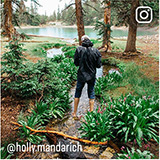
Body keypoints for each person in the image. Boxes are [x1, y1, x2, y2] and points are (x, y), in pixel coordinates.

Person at [72, 35, 102, 119]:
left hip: (81, 75)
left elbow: (76, 63)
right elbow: (99, 65)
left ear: (82, 41)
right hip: (92, 75)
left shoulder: (78, 49)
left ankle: (74, 113)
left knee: (77, 93)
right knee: (91, 93)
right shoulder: (96, 50)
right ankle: (91, 113)